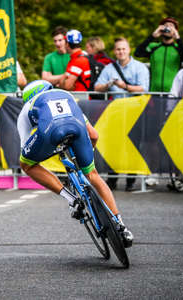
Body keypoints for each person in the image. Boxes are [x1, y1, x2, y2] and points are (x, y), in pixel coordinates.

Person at [18, 80, 133, 246]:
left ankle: (71, 199)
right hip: (76, 128)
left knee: (27, 164)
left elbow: (25, 147)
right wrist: (86, 156)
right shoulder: (66, 95)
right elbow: (93, 135)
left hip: (49, 132)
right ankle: (122, 227)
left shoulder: (26, 108)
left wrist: (47, 152)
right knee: (92, 175)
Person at [94, 37, 150, 191]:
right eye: (118, 49)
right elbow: (96, 87)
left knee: (134, 144)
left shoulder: (139, 67)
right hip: (116, 112)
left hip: (135, 112)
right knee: (114, 145)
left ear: (129, 50)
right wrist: (107, 85)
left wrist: (123, 86)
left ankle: (131, 181)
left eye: (123, 49)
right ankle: (112, 179)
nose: (121, 52)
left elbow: (144, 88)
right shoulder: (109, 68)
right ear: (114, 51)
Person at [0, 60, 27, 188]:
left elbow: (22, 81)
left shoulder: (12, 59)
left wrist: (10, 78)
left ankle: (16, 170)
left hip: (16, 100)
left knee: (18, 136)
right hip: (2, 102)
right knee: (0, 138)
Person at [134, 17, 183, 93]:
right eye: (165, 25)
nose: (168, 27)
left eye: (171, 26)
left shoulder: (178, 48)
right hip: (154, 92)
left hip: (173, 93)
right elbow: (137, 53)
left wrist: (178, 38)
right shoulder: (154, 47)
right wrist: (152, 36)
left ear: (175, 31)